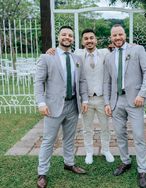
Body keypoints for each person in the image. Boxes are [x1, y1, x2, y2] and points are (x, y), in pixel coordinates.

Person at [34, 26, 88, 188]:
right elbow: (38, 82)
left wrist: (84, 100)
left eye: (70, 35)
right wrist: (41, 102)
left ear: (73, 39)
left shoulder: (77, 59)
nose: (67, 37)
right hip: (53, 106)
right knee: (48, 140)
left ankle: (69, 163)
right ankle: (42, 172)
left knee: (69, 138)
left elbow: (82, 81)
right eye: (64, 34)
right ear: (59, 37)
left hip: (73, 105)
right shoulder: (47, 57)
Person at [103, 24, 146, 188]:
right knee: (120, 134)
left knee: (138, 136)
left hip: (134, 100)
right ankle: (125, 161)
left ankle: (142, 170)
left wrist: (142, 94)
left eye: (120, 34)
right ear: (111, 37)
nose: (117, 38)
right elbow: (107, 82)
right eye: (114, 35)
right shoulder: (109, 57)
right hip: (117, 101)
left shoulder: (137, 50)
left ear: (125, 35)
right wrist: (107, 103)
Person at [74, 28, 114, 164]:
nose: (89, 40)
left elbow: (121, 49)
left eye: (91, 38)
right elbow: (62, 51)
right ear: (82, 41)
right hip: (86, 99)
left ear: (96, 40)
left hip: (102, 98)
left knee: (105, 126)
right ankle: (89, 152)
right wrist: (53, 50)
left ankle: (106, 150)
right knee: (87, 128)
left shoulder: (105, 53)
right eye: (86, 38)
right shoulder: (77, 54)